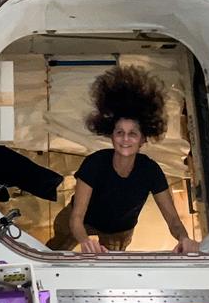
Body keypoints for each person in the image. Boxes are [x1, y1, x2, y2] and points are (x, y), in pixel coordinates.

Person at [47, 66, 200, 255]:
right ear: (112, 136)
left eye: (133, 134)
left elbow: (173, 221)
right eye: (120, 133)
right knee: (55, 251)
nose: (125, 139)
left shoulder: (151, 170)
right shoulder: (94, 163)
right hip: (81, 223)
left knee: (111, 264)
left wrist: (184, 238)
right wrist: (85, 240)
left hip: (119, 231)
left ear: (143, 140)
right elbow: (77, 217)